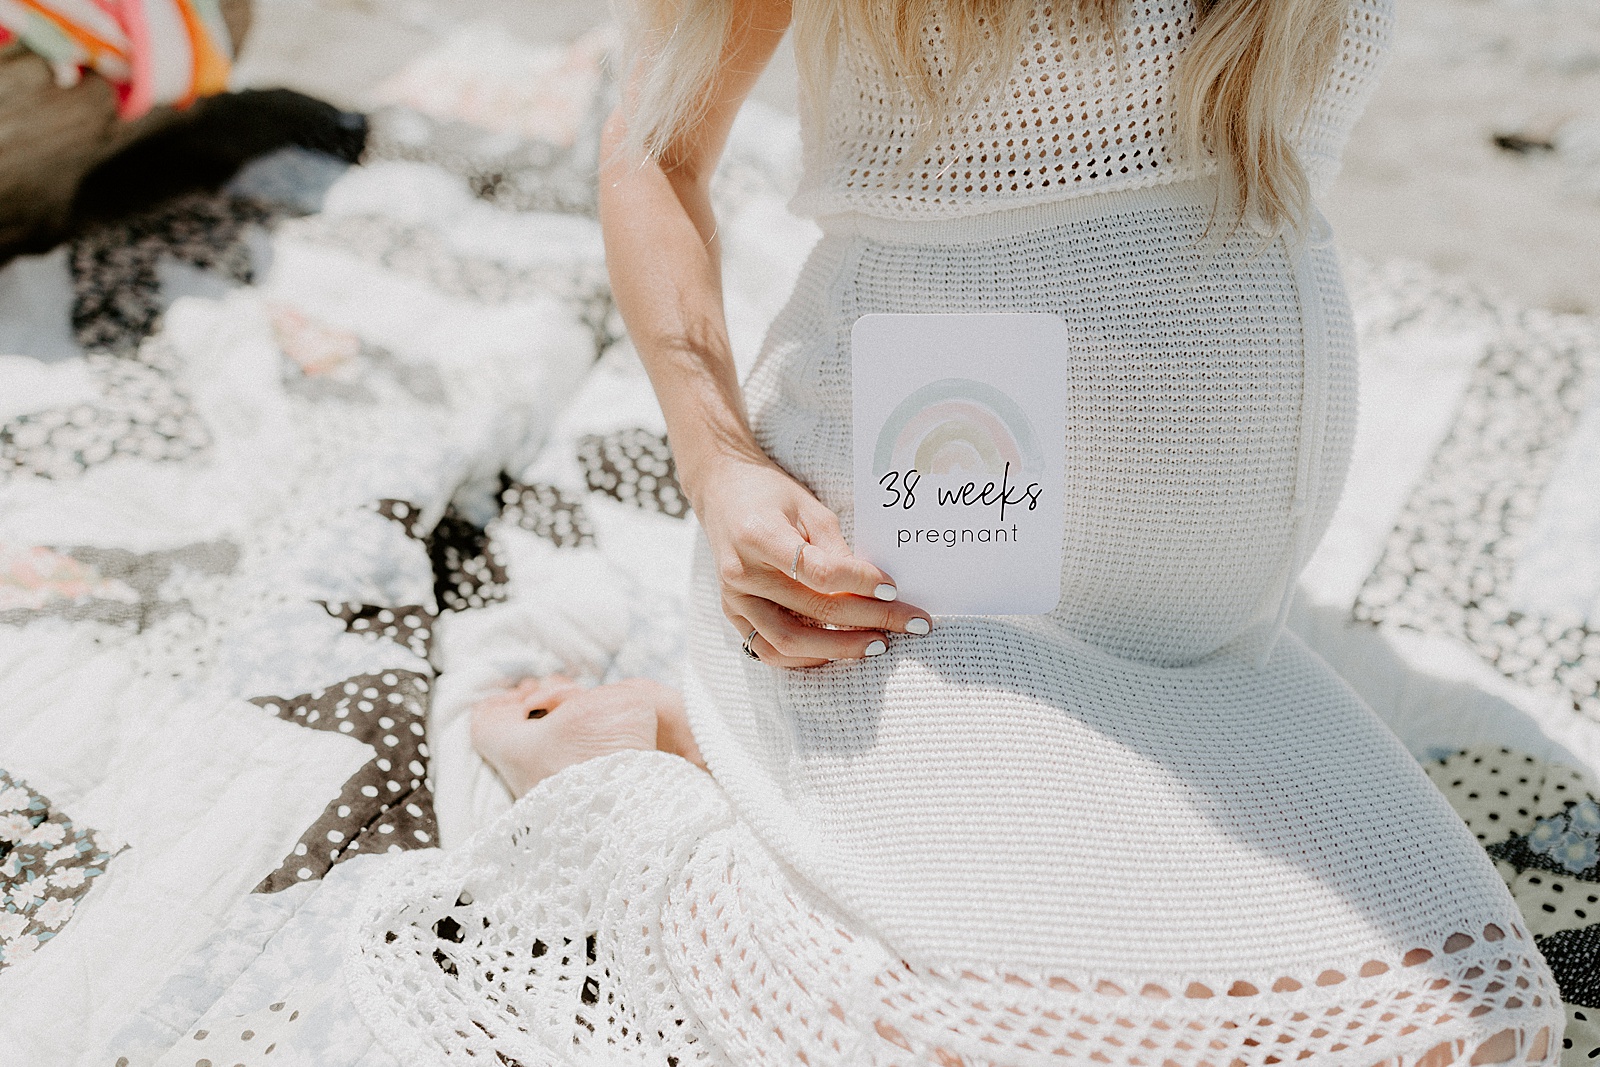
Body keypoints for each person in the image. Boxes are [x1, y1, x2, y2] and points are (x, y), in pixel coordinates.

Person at [440, 1, 1568, 1062]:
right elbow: (655, 149)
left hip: (1210, 642)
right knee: (994, 1036)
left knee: (1476, 1033)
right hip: (933, 575)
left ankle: (745, 763)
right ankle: (641, 772)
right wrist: (718, 463)